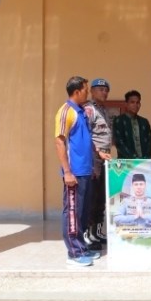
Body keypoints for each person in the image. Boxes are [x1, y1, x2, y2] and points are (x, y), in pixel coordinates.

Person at [54, 76, 101, 267]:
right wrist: (67, 172)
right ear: (76, 92)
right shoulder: (66, 111)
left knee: (82, 212)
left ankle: (81, 247)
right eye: (85, 90)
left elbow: (85, 140)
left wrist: (98, 155)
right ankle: (74, 253)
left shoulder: (81, 111)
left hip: (86, 171)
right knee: (72, 213)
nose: (87, 92)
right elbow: (59, 141)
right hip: (74, 173)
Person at [83, 78, 115, 248]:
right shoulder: (89, 109)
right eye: (100, 89)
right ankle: (87, 235)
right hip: (93, 161)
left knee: (101, 199)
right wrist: (98, 153)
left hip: (104, 160)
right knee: (92, 199)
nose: (104, 92)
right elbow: (86, 136)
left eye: (106, 90)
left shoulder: (104, 110)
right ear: (92, 91)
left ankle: (96, 233)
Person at [113, 90, 151, 159]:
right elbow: (119, 143)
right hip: (126, 161)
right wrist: (134, 158)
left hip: (144, 161)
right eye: (132, 102)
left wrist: (146, 158)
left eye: (137, 102)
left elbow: (149, 143)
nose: (135, 105)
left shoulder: (144, 122)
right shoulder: (119, 121)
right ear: (126, 104)